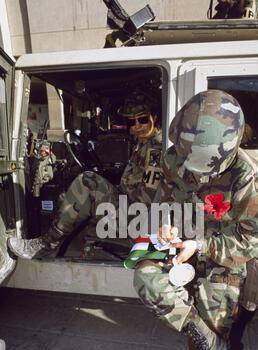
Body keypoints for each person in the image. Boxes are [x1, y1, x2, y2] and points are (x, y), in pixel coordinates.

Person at [133, 89, 258, 350]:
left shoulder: (248, 180)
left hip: (224, 252)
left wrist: (202, 244)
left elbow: (251, 241)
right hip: (183, 242)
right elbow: (162, 200)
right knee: (145, 276)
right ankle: (210, 346)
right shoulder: (173, 157)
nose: (194, 171)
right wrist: (165, 224)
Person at [8, 90, 163, 259]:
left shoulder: (155, 150)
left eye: (142, 119)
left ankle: (46, 245)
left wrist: (109, 194)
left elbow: (146, 199)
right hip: (130, 208)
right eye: (131, 122)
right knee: (67, 198)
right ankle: (87, 248)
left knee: (87, 182)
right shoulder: (144, 143)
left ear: (154, 117)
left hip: (137, 215)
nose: (137, 126)